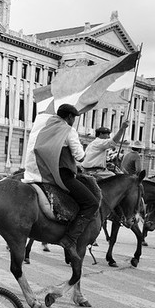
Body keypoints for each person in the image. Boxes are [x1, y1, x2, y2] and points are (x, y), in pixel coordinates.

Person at [23, 104, 99, 257]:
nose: (73, 121)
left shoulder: (45, 126)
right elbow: (80, 156)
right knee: (91, 203)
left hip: (42, 172)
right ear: (70, 117)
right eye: (73, 118)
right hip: (63, 176)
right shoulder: (68, 130)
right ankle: (69, 239)